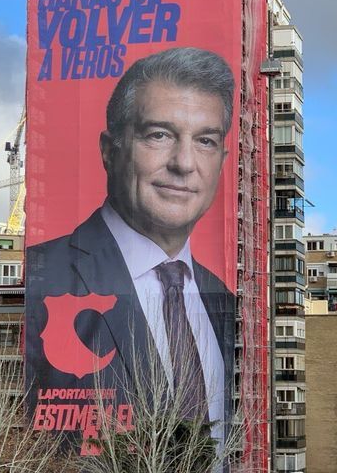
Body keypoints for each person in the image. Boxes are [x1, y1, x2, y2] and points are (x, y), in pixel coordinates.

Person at [25, 47, 237, 451]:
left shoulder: (225, 302)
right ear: (110, 150)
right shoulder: (41, 276)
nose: (184, 163)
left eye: (205, 141)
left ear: (222, 160)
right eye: (159, 135)